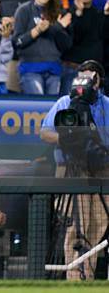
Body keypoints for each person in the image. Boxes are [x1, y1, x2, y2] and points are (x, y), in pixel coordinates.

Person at [40, 60, 109, 279]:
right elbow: (45, 133)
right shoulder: (64, 102)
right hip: (72, 168)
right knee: (77, 226)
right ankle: (74, 280)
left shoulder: (106, 104)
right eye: (80, 77)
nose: (82, 82)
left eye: (88, 77)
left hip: (102, 170)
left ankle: (86, 277)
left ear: (97, 80)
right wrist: (69, 138)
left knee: (98, 225)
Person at [13, 0, 72, 95]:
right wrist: (38, 30)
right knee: (37, 110)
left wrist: (56, 28)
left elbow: (66, 45)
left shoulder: (59, 13)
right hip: (30, 69)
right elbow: (17, 42)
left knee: (52, 109)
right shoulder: (23, 10)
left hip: (54, 69)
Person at [59, 0, 108, 95]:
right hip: (71, 70)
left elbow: (105, 39)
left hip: (94, 72)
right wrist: (78, 14)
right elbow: (69, 41)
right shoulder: (66, 13)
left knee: (95, 110)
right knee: (68, 108)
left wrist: (107, 16)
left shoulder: (100, 14)